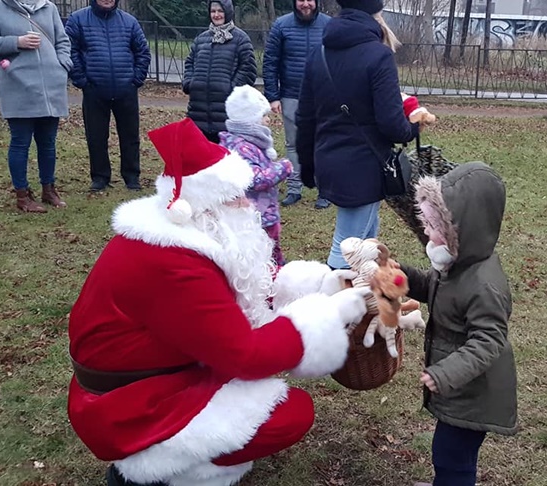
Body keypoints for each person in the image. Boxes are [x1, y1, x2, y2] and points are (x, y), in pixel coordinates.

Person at [66, 117, 371, 486]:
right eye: (235, 197)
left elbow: (244, 285)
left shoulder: (188, 239)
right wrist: (325, 315)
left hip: (164, 369)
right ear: (205, 207)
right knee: (291, 414)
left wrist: (322, 284)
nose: (247, 204)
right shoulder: (175, 263)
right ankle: (165, 471)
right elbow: (246, 357)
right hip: (130, 406)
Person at [395, 163, 518, 486]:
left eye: (437, 228)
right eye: (428, 225)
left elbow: (489, 341)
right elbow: (431, 288)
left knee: (453, 456)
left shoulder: (483, 285)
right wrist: (402, 276)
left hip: (475, 394)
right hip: (460, 388)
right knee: (447, 452)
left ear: (465, 228)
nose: (430, 235)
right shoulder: (455, 263)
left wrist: (445, 373)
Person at [296, 0, 420, 269]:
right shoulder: (379, 55)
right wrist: (413, 127)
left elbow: (305, 117)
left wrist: (307, 164)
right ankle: (330, 305)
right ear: (376, 13)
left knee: (366, 248)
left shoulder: (319, 53)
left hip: (330, 160)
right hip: (364, 167)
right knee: (346, 251)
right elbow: (391, 123)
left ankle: (362, 306)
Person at [0, 0, 71, 212]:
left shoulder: (48, 7)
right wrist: (16, 41)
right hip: (18, 85)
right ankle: (22, 196)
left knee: (48, 142)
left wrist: (62, 64)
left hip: (51, 87)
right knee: (20, 141)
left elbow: (63, 41)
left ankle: (49, 189)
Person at [65, 0, 151, 192]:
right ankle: (100, 177)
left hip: (125, 89)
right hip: (94, 89)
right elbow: (71, 51)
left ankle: (131, 176)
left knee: (130, 136)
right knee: (96, 136)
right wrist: (82, 80)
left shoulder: (129, 21)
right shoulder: (77, 19)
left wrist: (136, 79)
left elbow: (143, 52)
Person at [262, 0, 331, 209]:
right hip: (291, 95)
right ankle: (294, 188)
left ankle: (324, 190)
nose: (306, 4)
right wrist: (273, 96)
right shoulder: (281, 26)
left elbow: (340, 60)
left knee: (322, 144)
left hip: (322, 96)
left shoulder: (329, 25)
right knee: (293, 144)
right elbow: (270, 62)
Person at [219, 85, 293, 266]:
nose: (268, 120)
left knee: (272, 253)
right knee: (265, 256)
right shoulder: (242, 147)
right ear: (249, 120)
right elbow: (255, 179)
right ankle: (272, 280)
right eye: (263, 116)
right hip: (256, 215)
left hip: (263, 212)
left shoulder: (246, 143)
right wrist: (283, 167)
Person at [182, 0, 257, 143]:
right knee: (201, 160)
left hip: (226, 113)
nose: (216, 15)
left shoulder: (241, 39)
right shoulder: (201, 39)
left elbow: (248, 70)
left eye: (220, 11)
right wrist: (189, 83)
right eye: (213, 11)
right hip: (198, 111)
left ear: (228, 12)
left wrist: (232, 89)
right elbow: (190, 62)